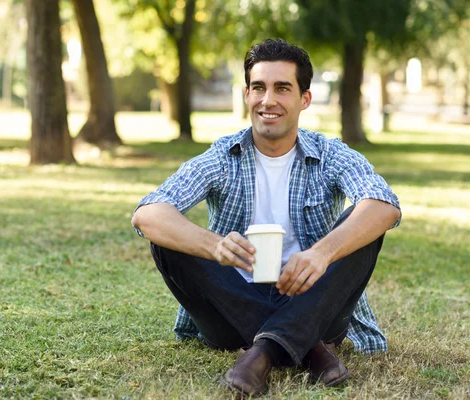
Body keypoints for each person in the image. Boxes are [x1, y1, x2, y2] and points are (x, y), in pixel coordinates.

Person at [131, 38, 401, 396]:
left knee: (363, 222)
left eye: (282, 88)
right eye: (258, 87)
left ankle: (261, 352)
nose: (268, 100)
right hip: (232, 306)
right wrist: (214, 246)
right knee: (167, 241)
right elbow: (148, 212)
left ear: (304, 99)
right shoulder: (223, 155)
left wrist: (321, 254)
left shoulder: (331, 153)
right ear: (246, 95)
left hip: (319, 303)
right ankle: (311, 350)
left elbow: (384, 203)